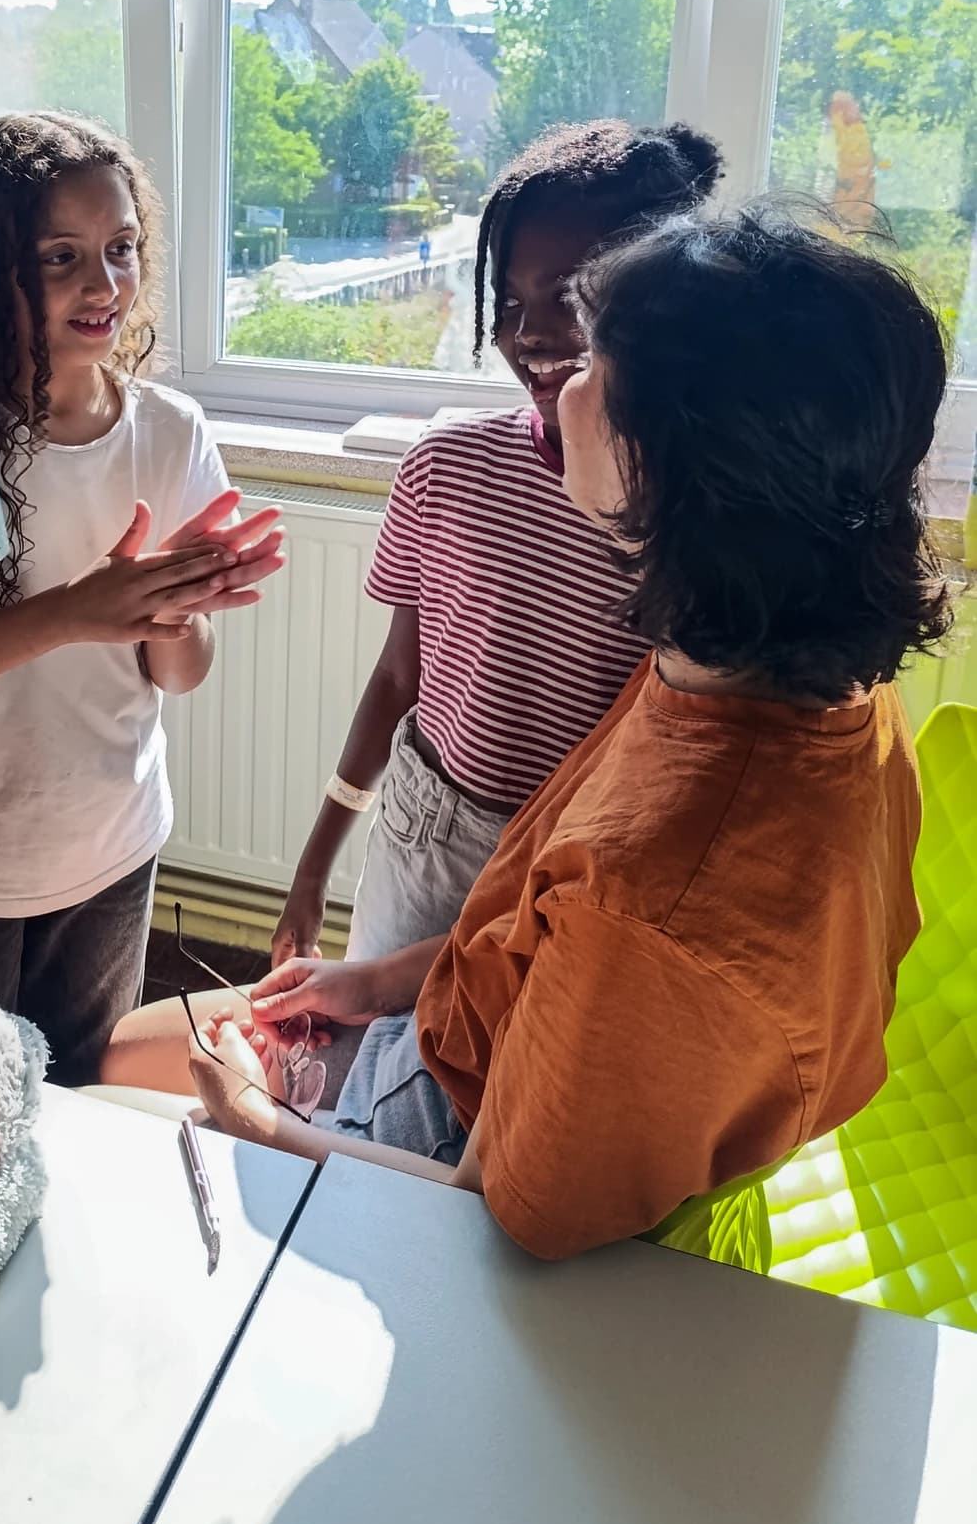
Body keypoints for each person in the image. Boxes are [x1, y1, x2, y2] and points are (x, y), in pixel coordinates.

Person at [104, 205, 946, 1259]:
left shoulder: (653, 899)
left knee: (105, 1127)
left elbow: (492, 1211)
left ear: (672, 467)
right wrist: (373, 981)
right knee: (117, 1045)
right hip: (444, 1029)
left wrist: (257, 1123)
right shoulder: (765, 669)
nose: (559, 379)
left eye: (595, 362)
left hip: (437, 1145)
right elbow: (533, 920)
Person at [0, 112, 284, 1083]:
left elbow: (183, 670)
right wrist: (78, 610)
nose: (104, 284)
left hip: (107, 840)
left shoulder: (170, 431)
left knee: (74, 1090)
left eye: (121, 249)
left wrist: (174, 607)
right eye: (60, 256)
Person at [273, 121, 722, 972]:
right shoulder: (447, 467)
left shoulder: (694, 523)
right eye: (510, 304)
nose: (532, 335)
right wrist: (315, 860)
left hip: (585, 863)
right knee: (380, 1073)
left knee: (514, 1090)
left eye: (572, 297)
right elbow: (400, 675)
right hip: (428, 837)